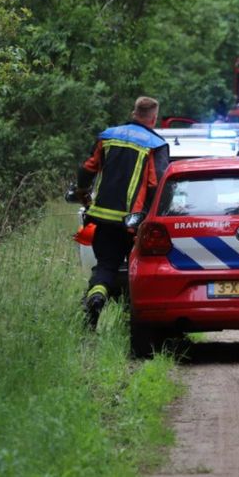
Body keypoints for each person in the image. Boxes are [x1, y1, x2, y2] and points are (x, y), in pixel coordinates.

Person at [74, 96, 170, 328]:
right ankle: (138, 324)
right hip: (136, 222)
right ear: (154, 117)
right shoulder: (155, 144)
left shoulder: (107, 136)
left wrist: (82, 191)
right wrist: (157, 216)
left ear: (133, 112)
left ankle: (96, 301)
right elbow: (158, 186)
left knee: (106, 266)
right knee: (142, 269)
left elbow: (88, 168)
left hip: (103, 218)